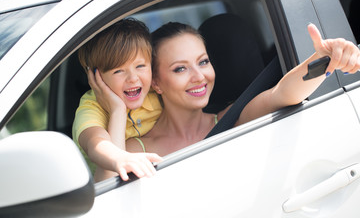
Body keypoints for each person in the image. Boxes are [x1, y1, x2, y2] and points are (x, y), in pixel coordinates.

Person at [120, 21, 360, 156]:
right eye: (180, 69)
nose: (199, 76)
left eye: (203, 62)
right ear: (156, 83)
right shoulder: (135, 149)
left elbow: (282, 93)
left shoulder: (231, 119)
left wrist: (324, 60)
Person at [72, 18, 162, 182]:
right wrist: (117, 110)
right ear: (95, 76)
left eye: (140, 66)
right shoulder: (91, 108)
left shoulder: (157, 90)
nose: (133, 78)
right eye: (118, 71)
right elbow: (96, 144)